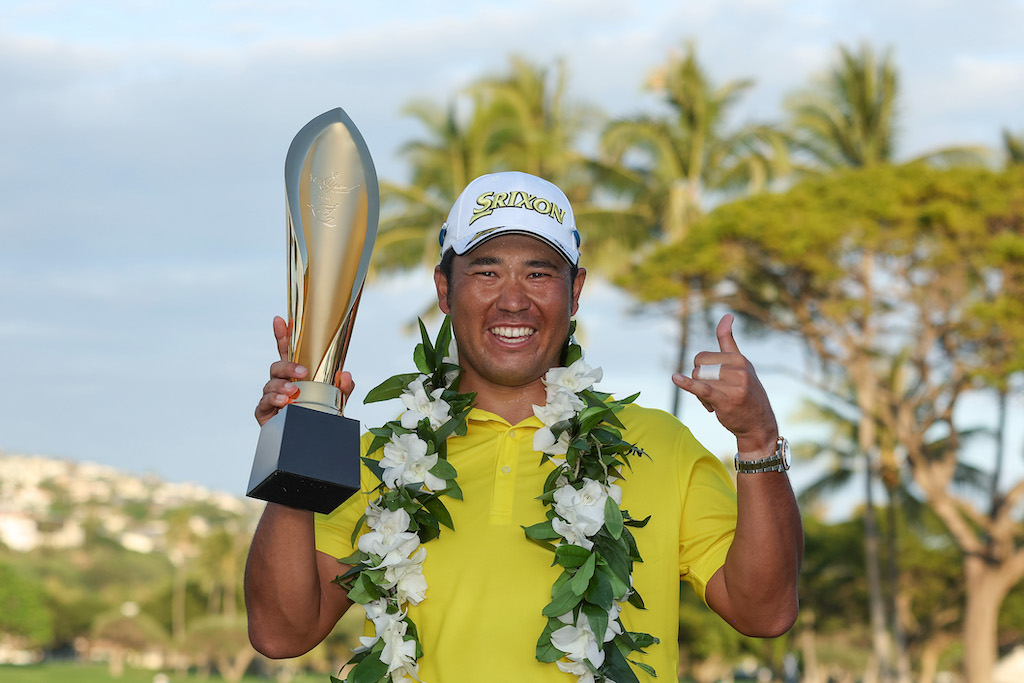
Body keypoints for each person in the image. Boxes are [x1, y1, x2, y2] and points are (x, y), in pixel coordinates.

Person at [245, 171, 803, 681]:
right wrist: (299, 440)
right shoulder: (385, 460)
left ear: (574, 291)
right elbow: (280, 634)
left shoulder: (659, 444)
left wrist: (757, 440)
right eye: (486, 272)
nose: (513, 301)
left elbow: (765, 612)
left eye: (538, 273)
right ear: (444, 289)